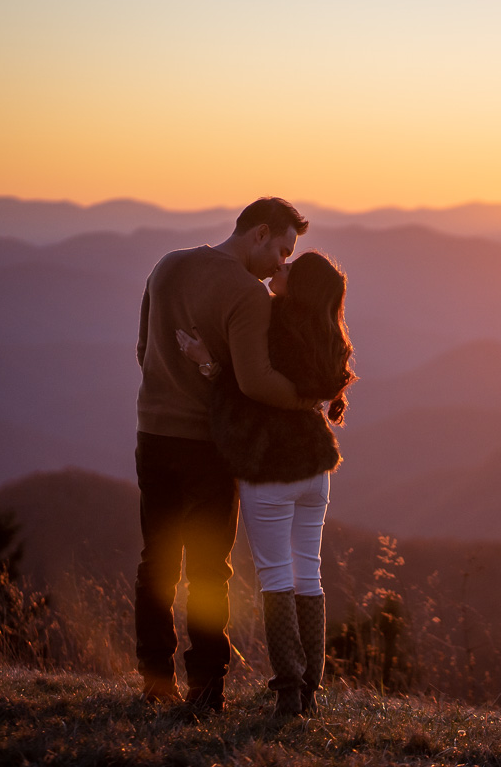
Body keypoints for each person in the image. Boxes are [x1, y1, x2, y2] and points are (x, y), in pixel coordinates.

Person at [134, 196, 311, 712]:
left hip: (152, 436)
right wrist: (307, 399)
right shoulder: (247, 295)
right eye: (281, 249)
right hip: (207, 447)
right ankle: (207, 688)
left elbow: (143, 351)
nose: (283, 264)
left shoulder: (167, 265)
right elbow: (256, 384)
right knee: (210, 571)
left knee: (156, 564)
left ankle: (155, 681)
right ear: (259, 233)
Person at [176, 250, 355, 717]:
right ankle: (309, 690)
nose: (281, 268)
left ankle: (289, 690)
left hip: (269, 468)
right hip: (315, 470)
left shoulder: (270, 319)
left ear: (301, 287)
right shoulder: (328, 335)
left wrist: (205, 362)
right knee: (308, 574)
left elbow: (246, 386)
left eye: (291, 269)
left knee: (275, 576)